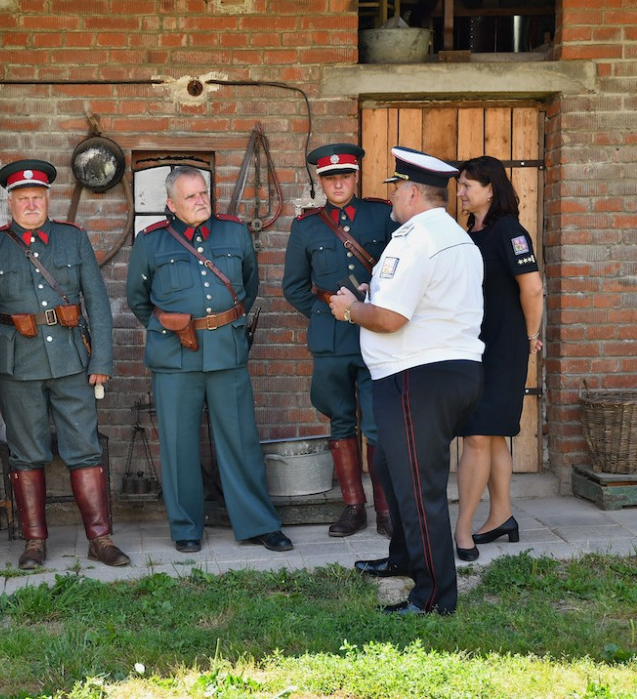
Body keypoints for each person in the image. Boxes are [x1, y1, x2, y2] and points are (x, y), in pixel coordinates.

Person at [330, 147, 484, 615]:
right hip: (438, 371)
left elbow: (393, 318)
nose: (392, 198)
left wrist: (350, 309)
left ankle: (434, 596)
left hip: (418, 376)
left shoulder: (414, 237)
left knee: (419, 488)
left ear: (414, 192)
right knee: (391, 471)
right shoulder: (454, 236)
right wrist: (369, 295)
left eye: (396, 189)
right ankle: (404, 558)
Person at [0, 159, 130, 570]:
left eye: (37, 198)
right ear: (11, 202)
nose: (30, 205)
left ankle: (100, 538)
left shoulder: (72, 238)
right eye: (22, 199)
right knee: (26, 454)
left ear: (48, 199)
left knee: (85, 449)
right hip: (16, 365)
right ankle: (34, 543)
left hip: (72, 361)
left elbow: (96, 300)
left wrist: (101, 359)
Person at [126, 165, 293, 554]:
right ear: (170, 204)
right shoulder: (150, 243)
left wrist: (221, 323)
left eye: (203, 193)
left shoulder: (234, 232)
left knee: (240, 441)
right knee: (178, 444)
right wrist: (173, 326)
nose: (201, 201)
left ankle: (258, 523)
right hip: (174, 355)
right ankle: (186, 527)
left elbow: (249, 286)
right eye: (190, 196)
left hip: (226, 351)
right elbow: (138, 299)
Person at [283, 143, 398, 538]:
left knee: (379, 427)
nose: (338, 183)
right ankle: (354, 507)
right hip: (332, 340)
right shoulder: (307, 227)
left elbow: (401, 271)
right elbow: (295, 286)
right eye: (330, 178)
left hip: (375, 335)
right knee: (341, 425)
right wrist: (324, 314)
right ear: (321, 181)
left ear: (355, 177)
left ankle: (386, 509)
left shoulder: (383, 215)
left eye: (345, 176)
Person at [453, 156, 543, 560]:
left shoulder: (510, 231)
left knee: (476, 433)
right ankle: (502, 516)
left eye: (468, 185)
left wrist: (531, 336)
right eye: (459, 185)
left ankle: (462, 531)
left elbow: (533, 288)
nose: (460, 192)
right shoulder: (472, 231)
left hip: (504, 346)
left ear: (491, 189)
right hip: (475, 344)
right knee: (490, 434)